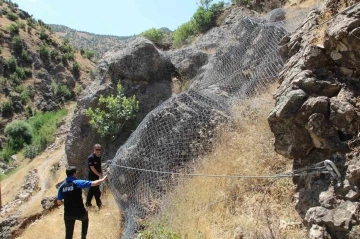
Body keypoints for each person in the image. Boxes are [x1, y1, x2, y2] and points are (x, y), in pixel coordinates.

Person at [57, 166, 107, 239]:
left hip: (68, 213)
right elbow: (94, 183)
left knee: (68, 235)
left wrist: (67, 202)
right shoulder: (77, 183)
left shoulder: (61, 186)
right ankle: (83, 237)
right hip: (80, 212)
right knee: (85, 220)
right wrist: (103, 179)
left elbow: (59, 202)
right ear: (74, 174)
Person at [86, 144, 103, 209]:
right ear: (94, 149)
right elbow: (92, 168)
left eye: (99, 149)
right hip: (92, 177)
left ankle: (88, 203)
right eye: (97, 149)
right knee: (96, 191)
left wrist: (101, 174)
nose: (98, 151)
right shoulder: (91, 157)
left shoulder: (98, 157)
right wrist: (99, 175)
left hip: (97, 176)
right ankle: (99, 205)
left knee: (92, 190)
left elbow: (99, 167)